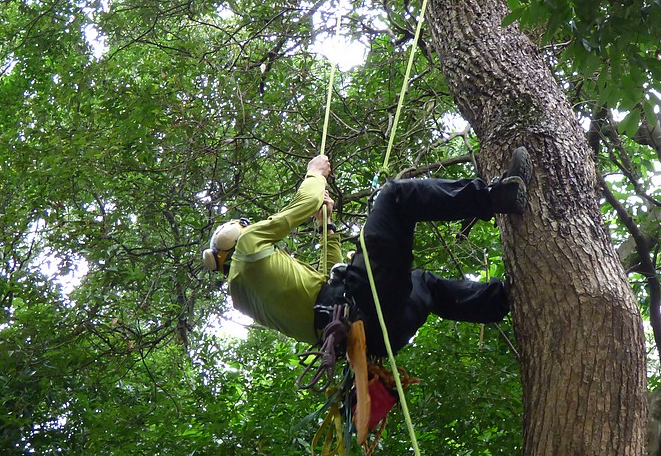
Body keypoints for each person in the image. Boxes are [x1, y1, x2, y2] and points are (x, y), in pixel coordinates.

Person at [202, 148, 533, 357]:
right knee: (394, 198)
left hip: (373, 334)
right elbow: (301, 206)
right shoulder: (246, 246)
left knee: (424, 284)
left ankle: (507, 300)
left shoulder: (245, 295)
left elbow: (327, 287)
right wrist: (314, 174)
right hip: (362, 305)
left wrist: (326, 229)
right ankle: (495, 197)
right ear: (235, 236)